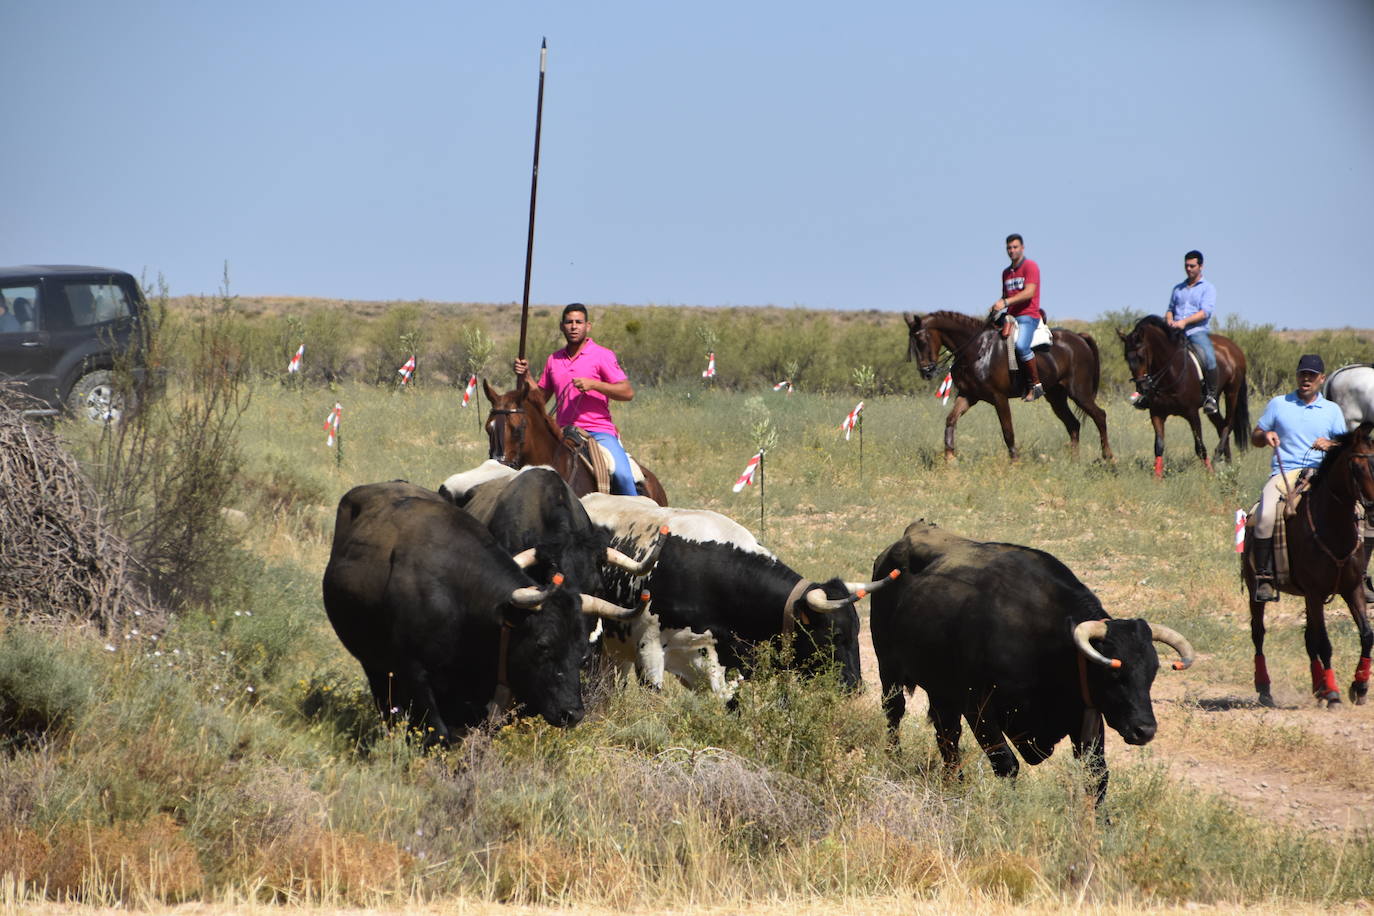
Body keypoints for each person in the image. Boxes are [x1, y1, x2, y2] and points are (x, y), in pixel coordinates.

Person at [1248, 354, 1350, 602]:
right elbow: (1256, 435)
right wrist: (1266, 435)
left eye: (1312, 376)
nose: (1306, 379)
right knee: (1266, 513)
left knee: (1361, 512)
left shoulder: (1332, 410)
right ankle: (1264, 577)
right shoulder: (1279, 404)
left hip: (1322, 473)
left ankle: (1360, 576)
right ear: (1297, 376)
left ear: (1321, 379)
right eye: (1303, 374)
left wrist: (1331, 444)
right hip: (1286, 472)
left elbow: (1345, 445)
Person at [513, 302, 639, 496]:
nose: (573, 326)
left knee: (622, 475)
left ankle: (635, 514)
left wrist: (594, 384)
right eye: (569, 322)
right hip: (562, 433)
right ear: (562, 326)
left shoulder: (602, 355)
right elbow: (539, 401)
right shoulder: (554, 359)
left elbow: (627, 392)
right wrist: (527, 377)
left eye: (578, 322)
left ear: (587, 326)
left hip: (598, 432)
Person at [988, 233, 1043, 402]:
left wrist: (1005, 301)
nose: (1012, 250)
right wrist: (997, 307)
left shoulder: (1030, 266)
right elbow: (1006, 295)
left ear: (1022, 248)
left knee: (1021, 346)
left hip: (1028, 316)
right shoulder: (1006, 272)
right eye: (1009, 248)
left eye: (1015, 247)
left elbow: (1029, 292)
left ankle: (1036, 385)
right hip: (1010, 316)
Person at [1165, 250, 1219, 416]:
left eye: (1192, 266)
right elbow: (1170, 309)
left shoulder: (1208, 288)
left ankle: (1211, 396)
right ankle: (1146, 393)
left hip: (1196, 332)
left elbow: (1205, 312)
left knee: (1209, 358)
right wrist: (1169, 320)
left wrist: (1184, 322)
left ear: (1201, 266)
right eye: (1186, 265)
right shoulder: (1178, 289)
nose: (1188, 269)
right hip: (1175, 332)